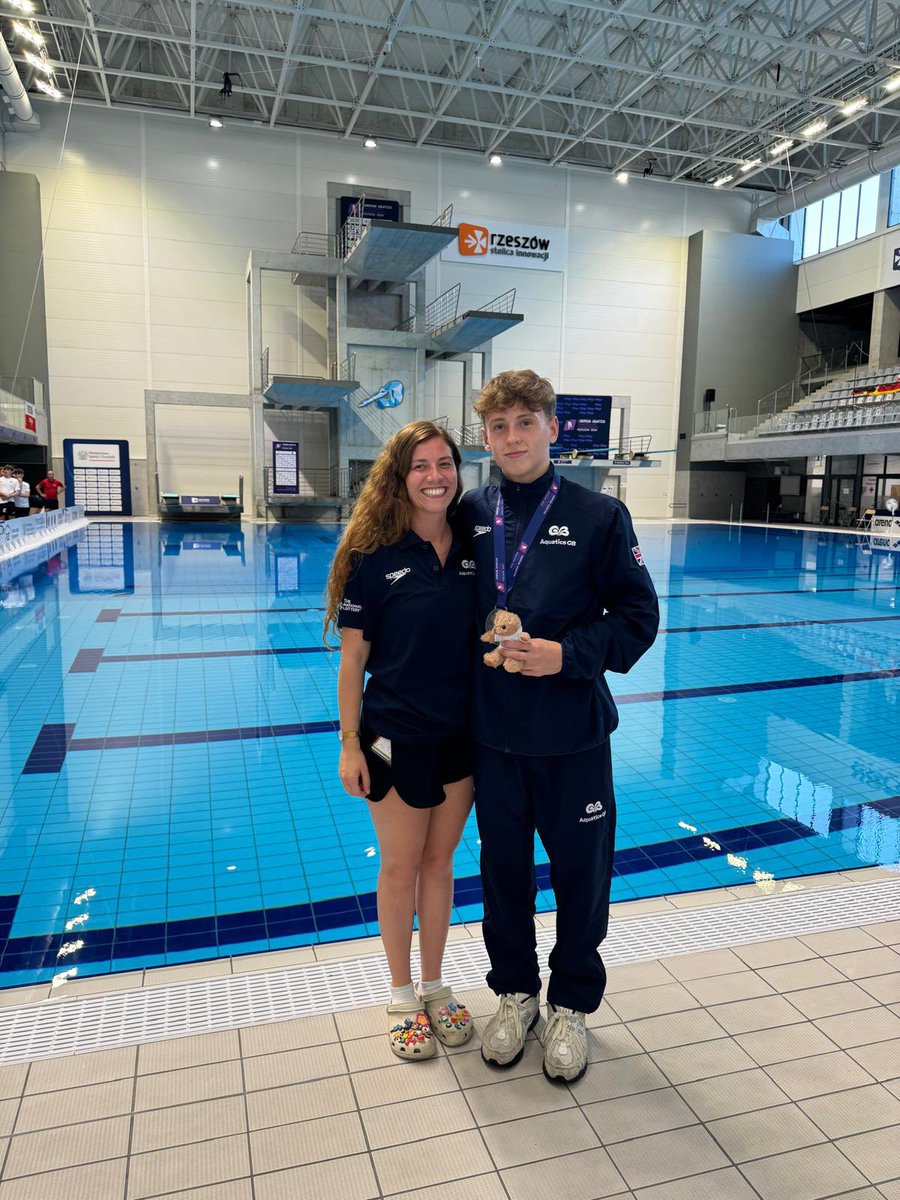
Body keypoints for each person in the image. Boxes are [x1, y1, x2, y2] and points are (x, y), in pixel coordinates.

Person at [458, 369, 659, 1083]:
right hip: (494, 737)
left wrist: (566, 655)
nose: (511, 437)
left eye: (524, 422)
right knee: (502, 876)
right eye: (498, 426)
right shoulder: (469, 514)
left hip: (572, 737)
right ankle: (516, 996)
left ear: (552, 428)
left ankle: (571, 1003)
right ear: (485, 436)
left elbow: (640, 620)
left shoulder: (600, 517)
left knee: (581, 877)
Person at [324, 421, 476, 1061]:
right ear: (400, 476)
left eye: (445, 463)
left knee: (440, 865)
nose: (435, 475)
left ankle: (437, 986)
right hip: (393, 738)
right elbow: (352, 662)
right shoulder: (373, 558)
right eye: (421, 466)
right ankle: (400, 994)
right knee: (399, 866)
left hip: (462, 737)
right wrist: (351, 744)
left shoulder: (475, 549)